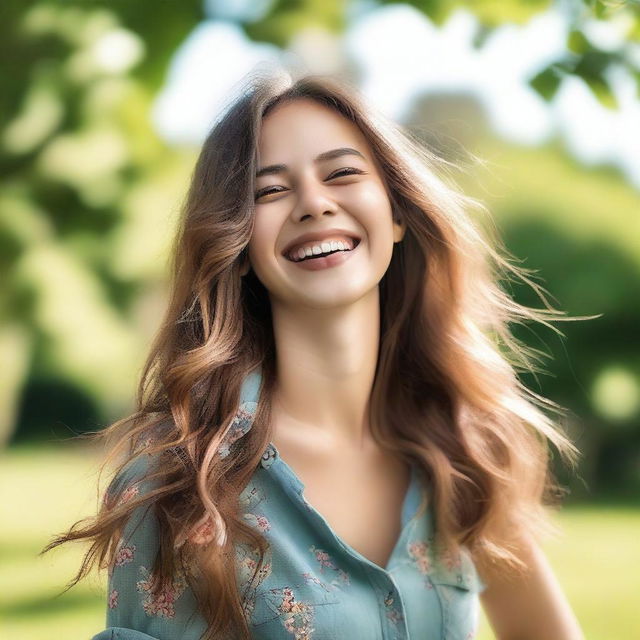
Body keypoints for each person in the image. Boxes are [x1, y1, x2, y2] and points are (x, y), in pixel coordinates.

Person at [45, 67, 587, 640]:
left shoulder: (467, 449)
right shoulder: (179, 485)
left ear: (397, 212)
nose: (314, 204)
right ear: (240, 244)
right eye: (271, 190)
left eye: (343, 173)